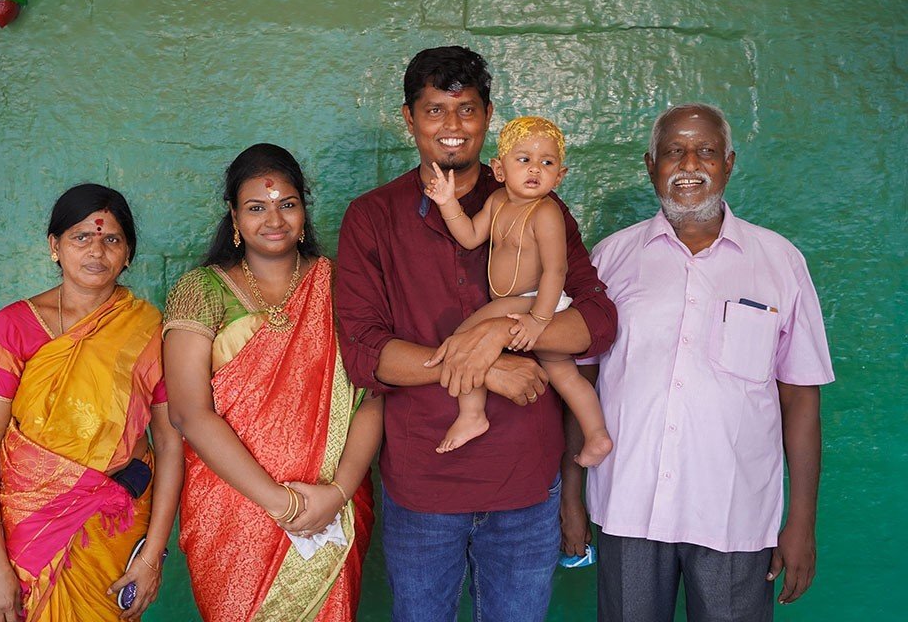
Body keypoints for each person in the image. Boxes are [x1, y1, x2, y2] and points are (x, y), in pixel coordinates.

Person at [335, 46, 616, 620]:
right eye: (435, 110)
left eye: (466, 110)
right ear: (409, 119)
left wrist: (507, 333)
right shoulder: (373, 216)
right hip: (422, 485)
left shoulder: (540, 205)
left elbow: (598, 320)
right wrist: (486, 363)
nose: (452, 126)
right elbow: (366, 351)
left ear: (488, 116)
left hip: (525, 485)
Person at [563, 103, 834, 621]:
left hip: (734, 512)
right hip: (628, 506)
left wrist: (801, 520)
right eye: (674, 152)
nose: (690, 164)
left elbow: (801, 396)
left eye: (705, 151)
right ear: (650, 165)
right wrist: (570, 496)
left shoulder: (779, 262)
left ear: (728, 163)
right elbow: (583, 380)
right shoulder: (609, 260)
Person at [163, 143, 381, 621]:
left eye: (287, 204)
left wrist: (338, 492)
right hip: (232, 512)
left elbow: (372, 398)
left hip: (330, 506)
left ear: (304, 209)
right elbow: (188, 413)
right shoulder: (200, 290)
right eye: (256, 208)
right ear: (235, 218)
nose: (274, 220)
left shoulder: (341, 286)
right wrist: (280, 503)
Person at [0, 184, 184, 622]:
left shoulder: (150, 331)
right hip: (25, 534)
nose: (96, 250)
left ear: (128, 253)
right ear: (54, 247)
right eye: (81, 237)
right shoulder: (13, 328)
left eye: (111, 239)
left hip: (112, 530)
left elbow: (172, 446)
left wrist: (152, 555)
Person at [422, 116, 612, 463]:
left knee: (467, 334)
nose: (535, 169)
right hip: (519, 302)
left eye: (547, 162)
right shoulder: (497, 203)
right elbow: (468, 235)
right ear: (498, 168)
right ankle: (597, 435)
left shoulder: (547, 212)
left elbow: (557, 269)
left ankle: (472, 414)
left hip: (536, 302)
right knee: (563, 373)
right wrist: (448, 203)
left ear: (560, 175)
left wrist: (540, 319)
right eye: (524, 160)